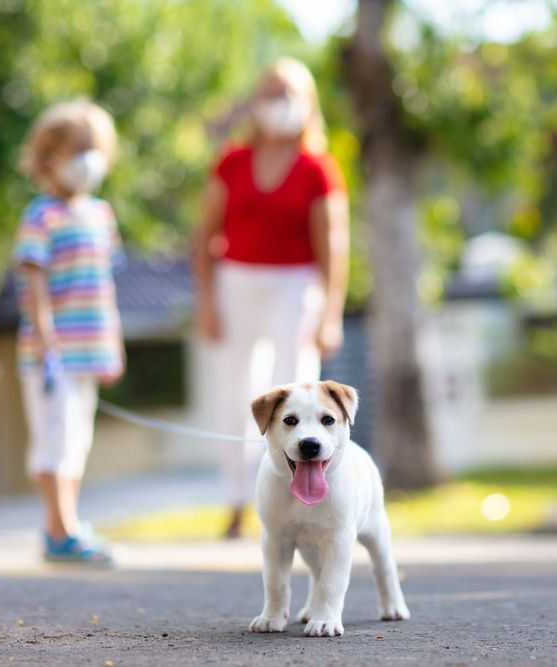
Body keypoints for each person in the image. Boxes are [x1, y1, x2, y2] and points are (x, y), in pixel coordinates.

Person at [193, 58, 351, 538]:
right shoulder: (231, 161)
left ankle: (297, 499)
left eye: (290, 93)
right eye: (272, 92)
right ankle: (237, 502)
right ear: (255, 101)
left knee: (295, 392)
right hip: (236, 282)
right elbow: (204, 235)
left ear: (308, 104)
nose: (280, 103)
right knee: (235, 394)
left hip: (296, 286)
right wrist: (206, 300)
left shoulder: (318, 169)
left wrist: (331, 313)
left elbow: (333, 248)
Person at [14, 99, 125, 562]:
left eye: (95, 148)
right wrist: (46, 338)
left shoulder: (101, 215)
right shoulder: (41, 216)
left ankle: (63, 526)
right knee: (55, 439)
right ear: (49, 158)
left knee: (77, 442)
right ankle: (62, 530)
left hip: (90, 351)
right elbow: (33, 281)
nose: (89, 158)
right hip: (52, 355)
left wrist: (112, 346)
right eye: (79, 148)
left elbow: (105, 285)